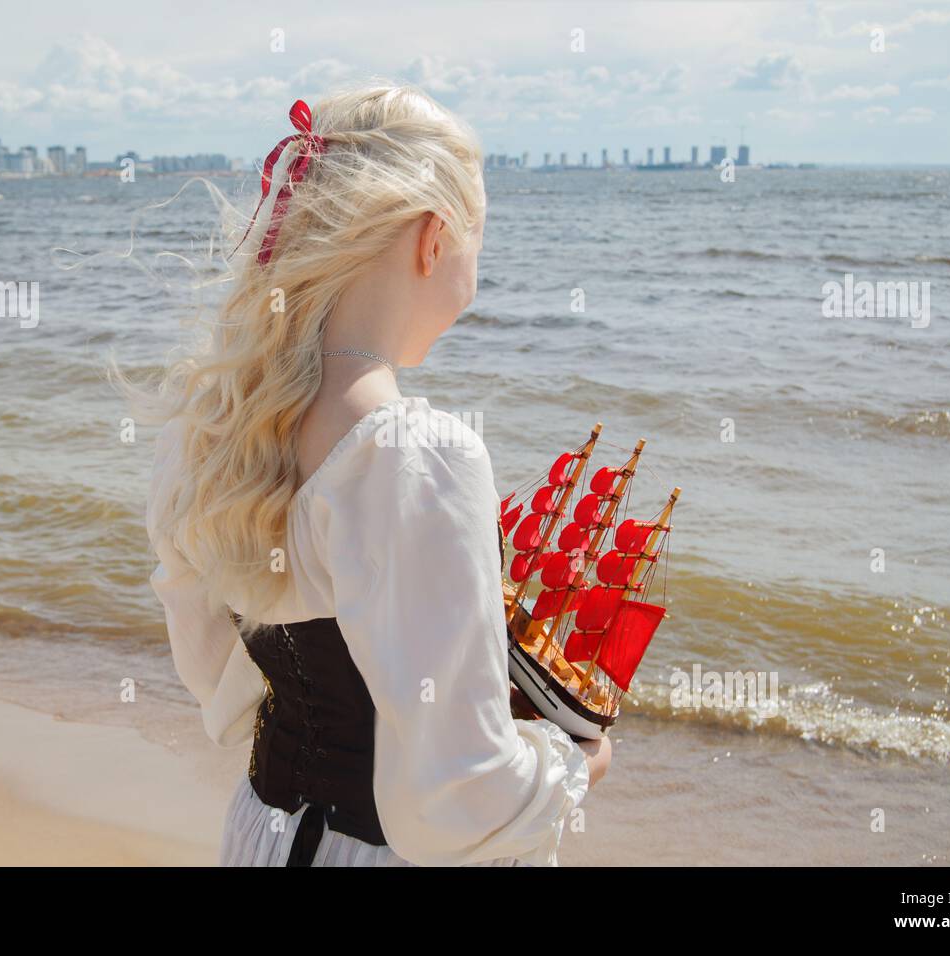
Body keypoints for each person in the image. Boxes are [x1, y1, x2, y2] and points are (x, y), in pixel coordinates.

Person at [143, 84, 609, 867]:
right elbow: (461, 801)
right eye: (478, 244)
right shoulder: (418, 456)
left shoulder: (212, 426)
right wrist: (575, 765)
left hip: (265, 833)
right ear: (433, 238)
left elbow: (213, 670)